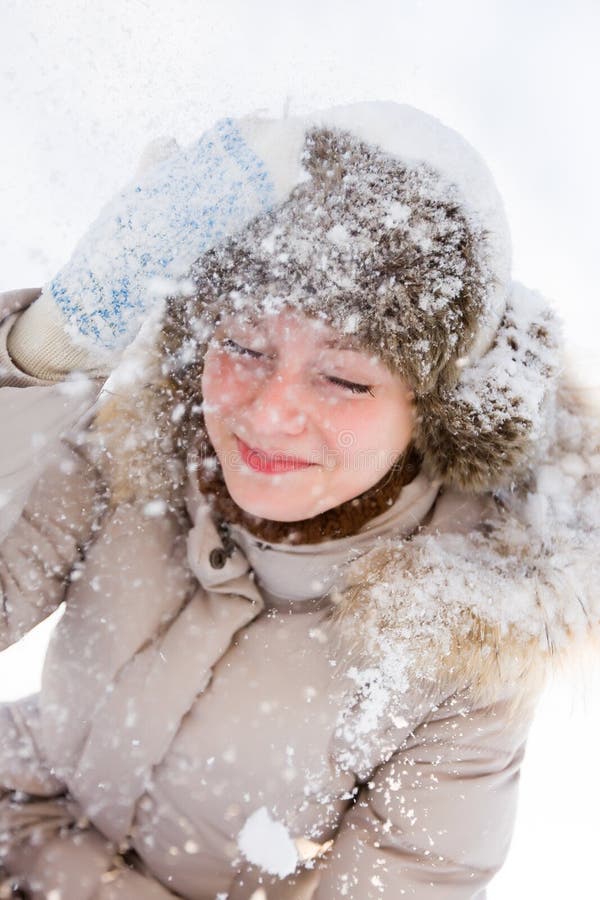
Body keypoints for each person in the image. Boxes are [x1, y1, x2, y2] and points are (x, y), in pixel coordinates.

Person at [0, 102, 598, 899]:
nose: (269, 411)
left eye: (344, 378)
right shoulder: (138, 453)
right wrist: (44, 352)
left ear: (436, 414)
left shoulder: (463, 635)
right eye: (242, 344)